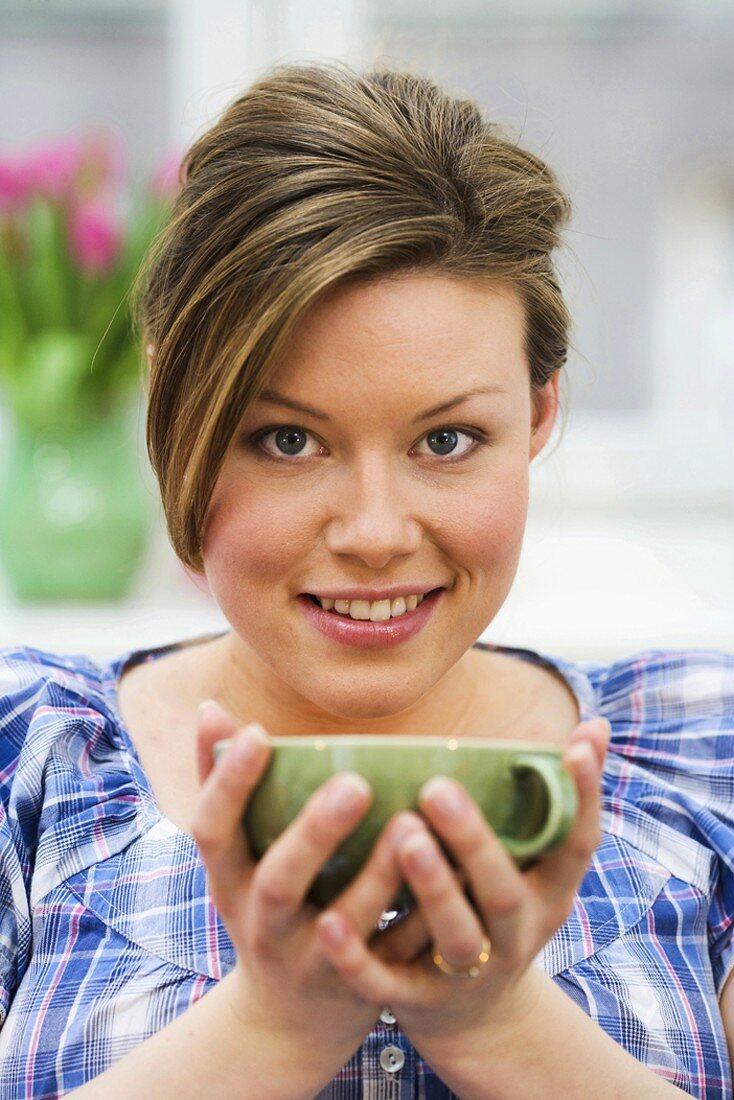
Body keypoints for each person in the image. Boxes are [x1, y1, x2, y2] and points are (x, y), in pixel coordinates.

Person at [0, 60, 731, 1100]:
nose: (377, 533)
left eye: (446, 436)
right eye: (286, 437)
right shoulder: (26, 760)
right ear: (173, 407)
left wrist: (504, 1027)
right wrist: (267, 1030)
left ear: (538, 414)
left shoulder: (704, 754)